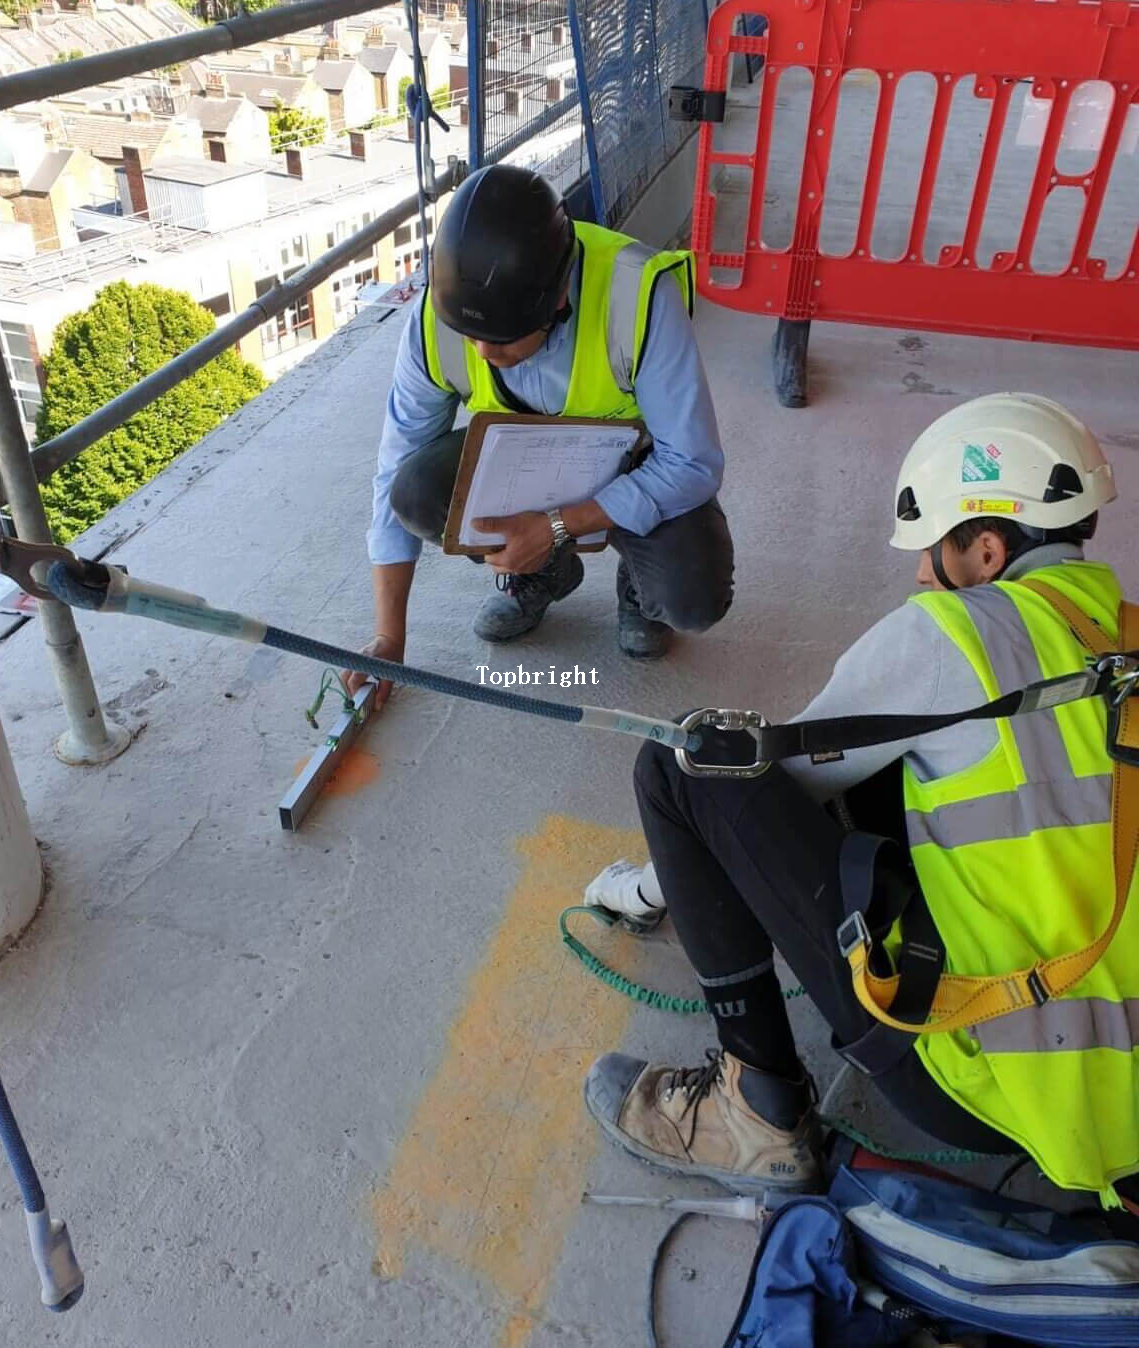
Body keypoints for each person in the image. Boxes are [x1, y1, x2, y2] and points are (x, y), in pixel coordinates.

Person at [581, 393, 1139, 1207]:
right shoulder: (1125, 635)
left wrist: (643, 886)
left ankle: (756, 1111)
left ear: (986, 550)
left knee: (686, 765)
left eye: (932, 549)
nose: (920, 573)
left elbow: (759, 788)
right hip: (1122, 1092)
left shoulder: (952, 637)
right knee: (923, 760)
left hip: (995, 1085)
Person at [342, 164, 733, 707]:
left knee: (693, 597)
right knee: (416, 490)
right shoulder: (438, 314)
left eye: (501, 341)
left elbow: (693, 463)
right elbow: (395, 465)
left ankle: (637, 589)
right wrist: (389, 635)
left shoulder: (639, 293)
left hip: (629, 467)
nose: (481, 353)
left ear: (556, 301)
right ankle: (546, 572)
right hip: (522, 464)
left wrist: (557, 524)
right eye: (469, 335)